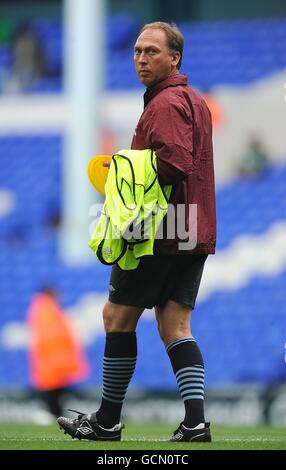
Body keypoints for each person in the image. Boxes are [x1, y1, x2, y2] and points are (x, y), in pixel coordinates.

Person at [57, 21, 216, 442]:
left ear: (174, 58)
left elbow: (175, 163)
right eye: (137, 51)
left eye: (151, 52)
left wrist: (127, 171)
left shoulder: (164, 104)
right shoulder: (194, 101)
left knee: (116, 317)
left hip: (157, 229)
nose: (141, 59)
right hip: (192, 227)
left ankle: (107, 422)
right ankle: (195, 423)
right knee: (176, 325)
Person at [27, 287, 89, 418]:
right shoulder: (47, 310)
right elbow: (53, 337)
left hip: (53, 361)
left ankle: (54, 413)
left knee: (56, 391)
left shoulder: (46, 309)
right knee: (53, 391)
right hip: (53, 361)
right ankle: (50, 414)